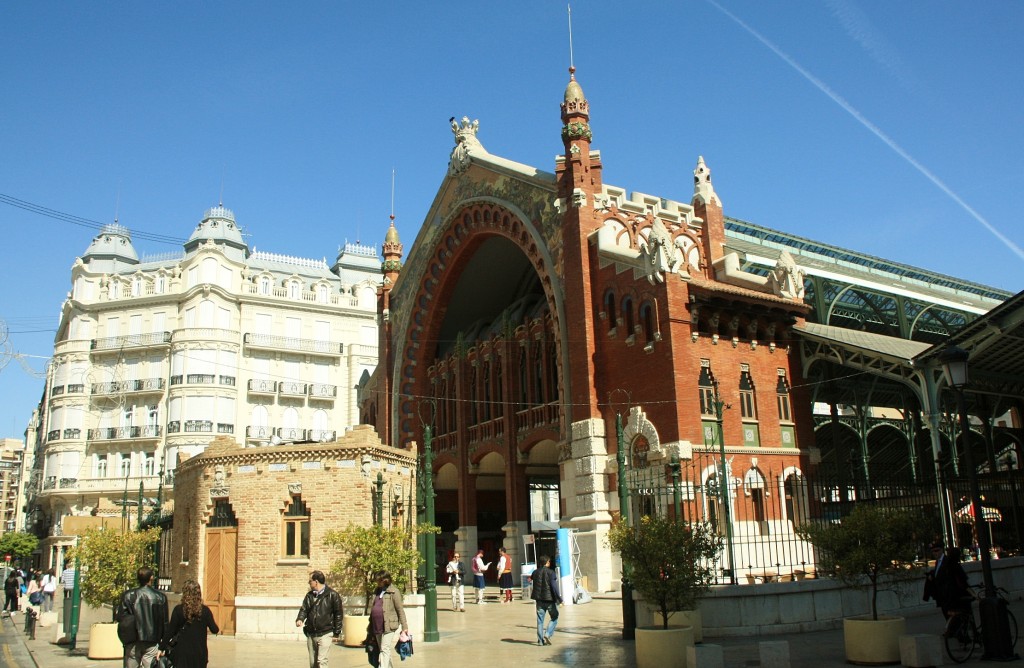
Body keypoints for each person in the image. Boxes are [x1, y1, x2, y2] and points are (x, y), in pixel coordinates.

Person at [159, 580, 218, 668]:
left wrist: (161, 648)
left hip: (181, 652)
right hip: (199, 653)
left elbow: (170, 631)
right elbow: (215, 629)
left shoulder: (178, 610)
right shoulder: (205, 610)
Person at [119, 566, 169, 668]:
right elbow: (165, 622)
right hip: (152, 641)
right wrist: (164, 645)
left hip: (133, 640)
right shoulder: (160, 597)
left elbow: (121, 618)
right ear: (151, 578)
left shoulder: (128, 595)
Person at [294, 570, 343, 668]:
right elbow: (304, 609)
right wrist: (300, 619)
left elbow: (338, 614)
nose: (309, 583)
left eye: (310, 581)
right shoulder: (309, 596)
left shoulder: (332, 595)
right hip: (311, 634)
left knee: (322, 661)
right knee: (313, 664)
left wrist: (336, 633)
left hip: (326, 633)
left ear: (316, 581)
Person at [364, 571, 409, 668]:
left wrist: (404, 626)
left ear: (385, 580)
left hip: (389, 625)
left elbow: (400, 609)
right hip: (377, 626)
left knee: (384, 648)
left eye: (379, 580)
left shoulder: (394, 591)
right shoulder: (377, 591)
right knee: (383, 649)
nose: (377, 583)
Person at [923, 542, 970, 633]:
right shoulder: (938, 562)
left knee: (954, 616)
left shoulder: (947, 561)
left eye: (937, 550)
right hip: (942, 595)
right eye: (933, 551)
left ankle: (959, 635)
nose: (935, 553)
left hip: (949, 595)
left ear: (942, 550)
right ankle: (956, 633)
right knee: (948, 614)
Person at [530, 555, 561, 646]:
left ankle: (540, 641)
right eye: (549, 561)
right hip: (549, 600)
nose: (550, 563)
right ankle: (547, 634)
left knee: (540, 620)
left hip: (539, 600)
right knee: (554, 616)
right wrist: (559, 598)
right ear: (547, 562)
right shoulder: (551, 573)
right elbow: (554, 586)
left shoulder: (535, 572)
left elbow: (531, 578)